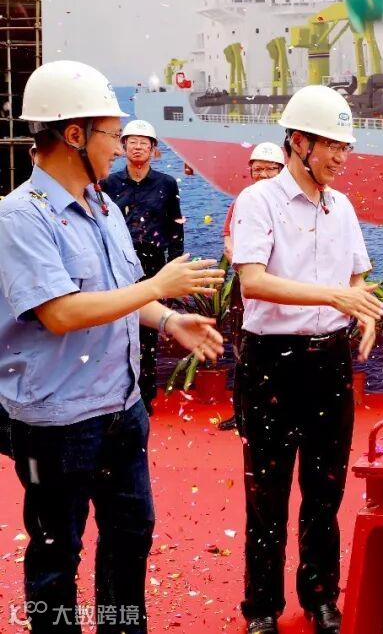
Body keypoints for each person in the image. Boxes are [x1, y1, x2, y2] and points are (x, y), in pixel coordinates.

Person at [0, 60, 225, 634]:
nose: (121, 148)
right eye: (112, 135)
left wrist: (168, 319)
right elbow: (60, 313)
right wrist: (157, 288)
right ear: (74, 135)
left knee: (129, 538)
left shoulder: (103, 207)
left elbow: (119, 293)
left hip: (121, 410)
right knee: (56, 554)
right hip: (57, 423)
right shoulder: (20, 217)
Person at [230, 85, 383, 634]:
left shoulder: (342, 207)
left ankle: (320, 597)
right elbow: (252, 281)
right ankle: (262, 607)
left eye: (346, 147)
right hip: (271, 362)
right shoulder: (259, 201)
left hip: (329, 362)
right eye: (332, 146)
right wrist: (335, 296)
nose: (342, 158)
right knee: (267, 492)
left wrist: (364, 310)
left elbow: (357, 278)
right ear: (299, 142)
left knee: (326, 488)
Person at [101, 119, 185, 413]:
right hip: (117, 264)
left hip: (153, 265)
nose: (138, 148)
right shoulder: (108, 184)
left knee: (148, 333)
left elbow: (175, 229)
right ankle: (114, 393)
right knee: (114, 328)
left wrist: (175, 269)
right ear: (123, 147)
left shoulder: (166, 184)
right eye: (132, 142)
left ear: (153, 149)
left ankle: (145, 396)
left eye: (144, 143)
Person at [218, 142, 285, 433]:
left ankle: (279, 410)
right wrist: (242, 260)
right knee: (242, 348)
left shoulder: (290, 203)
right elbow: (228, 239)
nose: (263, 174)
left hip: (282, 285)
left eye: (270, 169)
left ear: (282, 170)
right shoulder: (243, 201)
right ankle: (242, 414)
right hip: (246, 283)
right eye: (258, 169)